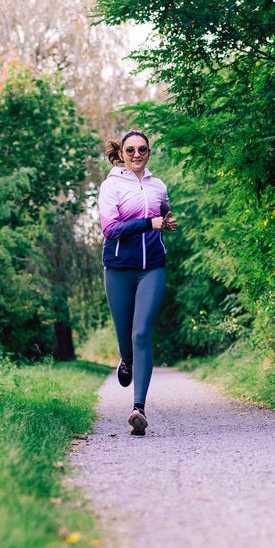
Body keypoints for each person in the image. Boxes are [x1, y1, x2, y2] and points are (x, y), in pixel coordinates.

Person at [98, 129, 178, 436]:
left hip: (152, 268)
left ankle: (138, 409)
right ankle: (126, 359)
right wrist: (148, 223)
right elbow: (110, 229)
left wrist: (167, 221)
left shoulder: (158, 185)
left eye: (142, 149)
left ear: (148, 152)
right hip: (119, 268)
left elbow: (164, 211)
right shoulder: (111, 186)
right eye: (130, 150)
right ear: (121, 154)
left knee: (142, 333)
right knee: (125, 337)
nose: (136, 155)